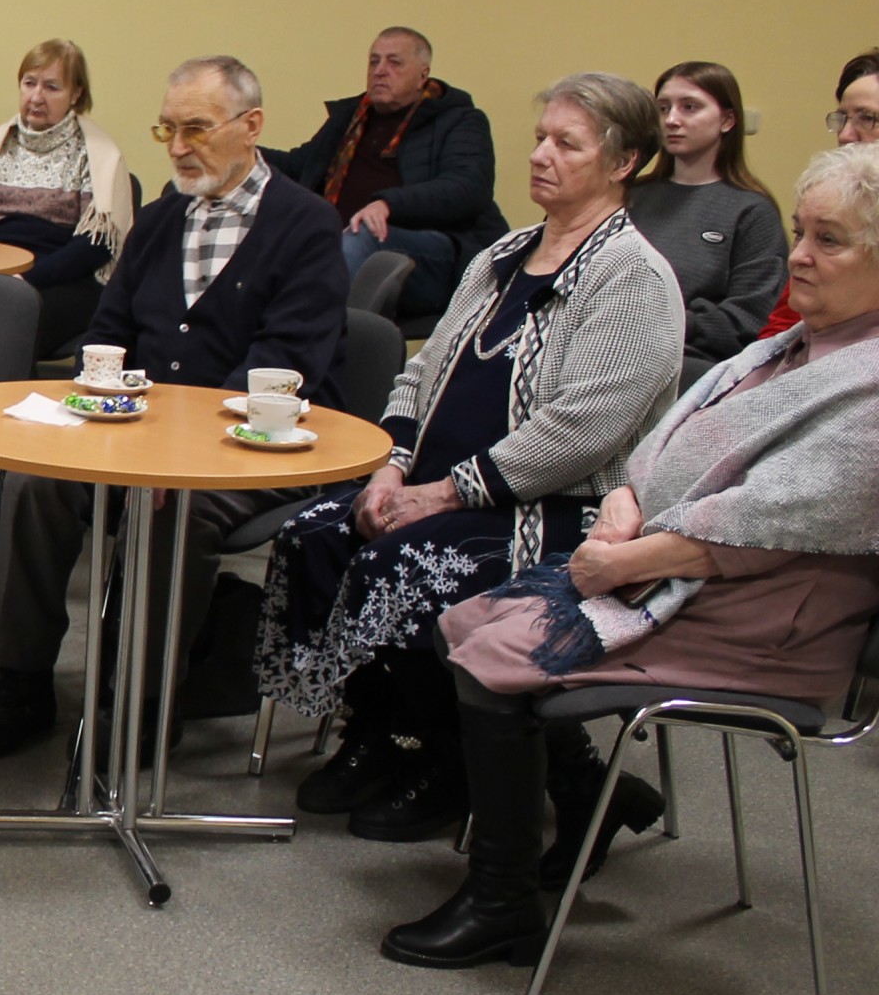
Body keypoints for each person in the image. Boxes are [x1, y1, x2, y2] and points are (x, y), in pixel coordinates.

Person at [387, 144, 879, 969]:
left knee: (492, 653)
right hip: (681, 569)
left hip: (767, 618)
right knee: (465, 621)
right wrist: (623, 506)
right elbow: (657, 449)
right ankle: (588, 796)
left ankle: (503, 900)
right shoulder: (795, 345)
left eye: (828, 240)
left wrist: (620, 561)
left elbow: (766, 521)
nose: (798, 254)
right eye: (800, 231)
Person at [262, 73, 684, 843]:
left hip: (553, 509)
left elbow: (581, 430)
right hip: (433, 485)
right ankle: (379, 726)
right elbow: (421, 371)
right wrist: (391, 466)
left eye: (566, 144)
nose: (540, 155)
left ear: (623, 163)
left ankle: (450, 754)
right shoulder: (503, 254)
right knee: (313, 534)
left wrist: (441, 495)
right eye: (541, 137)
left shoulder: (635, 276)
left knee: (404, 561)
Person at [0, 56, 350, 758]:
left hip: (255, 447)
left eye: (197, 128)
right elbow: (107, 333)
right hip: (137, 434)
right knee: (34, 483)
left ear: (252, 125)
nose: (178, 146)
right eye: (167, 129)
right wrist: (104, 412)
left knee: (178, 512)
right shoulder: (161, 219)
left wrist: (176, 455)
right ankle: (21, 680)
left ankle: (141, 699)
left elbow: (283, 366)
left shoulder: (306, 224)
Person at [268, 26, 506, 318]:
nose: (380, 71)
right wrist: (240, 152)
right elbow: (300, 167)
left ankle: (310, 334)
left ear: (423, 74)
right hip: (342, 245)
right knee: (272, 237)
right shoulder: (351, 119)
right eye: (374, 61)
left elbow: (468, 188)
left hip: (434, 254)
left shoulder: (459, 120)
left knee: (362, 235)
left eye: (394, 62)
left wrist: (389, 204)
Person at [0, 38, 135, 362]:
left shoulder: (97, 154)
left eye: (52, 87)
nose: (36, 97)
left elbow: (96, 245)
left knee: (10, 315)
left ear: (76, 94)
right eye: (29, 83)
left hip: (63, 277)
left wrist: (26, 278)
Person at [622, 61, 786, 380]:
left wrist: (663, 321)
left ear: (727, 120)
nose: (672, 120)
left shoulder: (752, 210)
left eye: (689, 107)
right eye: (663, 108)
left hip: (693, 367)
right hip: (611, 345)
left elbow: (749, 319)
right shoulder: (629, 196)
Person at [758, 47, 879, 336]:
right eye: (842, 118)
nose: (846, 135)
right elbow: (782, 327)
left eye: (867, 118)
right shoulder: (832, 205)